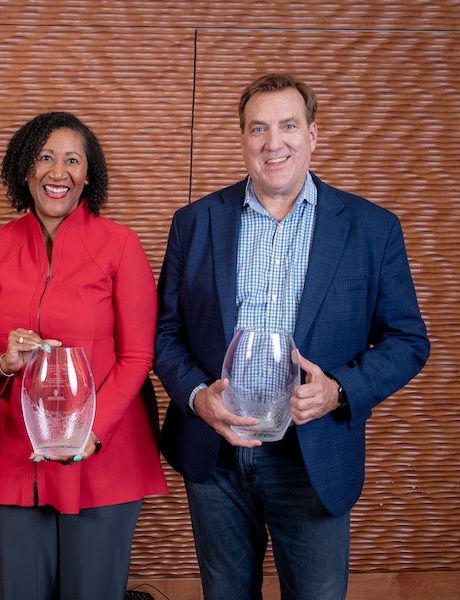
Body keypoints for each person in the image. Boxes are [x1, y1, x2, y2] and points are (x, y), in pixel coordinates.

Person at [154, 73, 430, 599]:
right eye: (258, 128)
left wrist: (340, 390)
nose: (272, 142)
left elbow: (408, 340)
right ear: (242, 139)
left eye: (288, 125)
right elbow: (166, 332)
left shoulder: (372, 228)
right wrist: (196, 396)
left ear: (312, 135)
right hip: (216, 454)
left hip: (314, 455)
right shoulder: (194, 222)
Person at [0, 111, 168, 600]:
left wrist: (91, 433)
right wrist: (3, 363)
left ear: (88, 175)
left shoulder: (120, 245)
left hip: (104, 453)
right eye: (45, 158)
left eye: (72, 160)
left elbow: (138, 356)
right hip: (13, 450)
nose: (58, 172)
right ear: (25, 169)